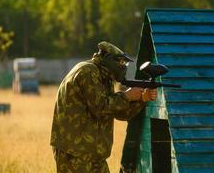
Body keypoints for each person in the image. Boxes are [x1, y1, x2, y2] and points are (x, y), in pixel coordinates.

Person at [50, 41, 157, 173]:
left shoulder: (104, 77)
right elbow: (100, 108)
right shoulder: (88, 71)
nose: (123, 67)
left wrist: (142, 99)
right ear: (109, 60)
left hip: (93, 153)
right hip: (75, 152)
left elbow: (119, 113)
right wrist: (127, 96)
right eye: (121, 62)